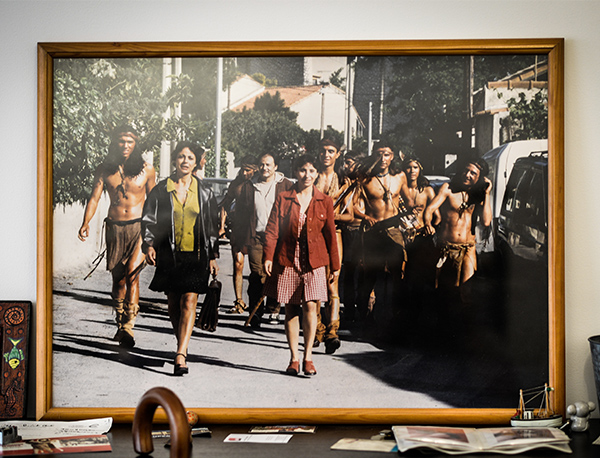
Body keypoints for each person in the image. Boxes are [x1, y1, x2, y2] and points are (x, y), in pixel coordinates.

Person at [142, 142, 220, 376]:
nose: (185, 161)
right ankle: (181, 343)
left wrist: (213, 256)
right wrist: (148, 244)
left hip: (197, 255)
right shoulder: (161, 190)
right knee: (174, 304)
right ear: (175, 160)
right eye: (181, 156)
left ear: (196, 162)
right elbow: (148, 218)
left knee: (189, 302)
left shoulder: (204, 192)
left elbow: (212, 227)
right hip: (169, 253)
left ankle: (180, 353)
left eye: (190, 157)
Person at [78, 125, 156, 348]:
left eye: (130, 142)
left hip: (139, 229)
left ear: (136, 144)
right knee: (118, 280)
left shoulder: (147, 170)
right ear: (115, 142)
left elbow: (153, 202)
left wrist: (155, 234)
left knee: (133, 274)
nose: (126, 146)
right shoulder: (104, 169)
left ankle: (128, 327)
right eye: (122, 141)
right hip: (114, 228)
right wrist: (86, 222)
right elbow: (94, 198)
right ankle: (120, 321)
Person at [263, 154, 340, 376]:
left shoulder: (324, 200)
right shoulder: (284, 197)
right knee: (291, 307)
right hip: (288, 257)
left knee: (311, 306)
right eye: (303, 170)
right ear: (296, 171)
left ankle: (308, 357)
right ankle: (293, 358)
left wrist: (334, 266)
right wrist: (269, 256)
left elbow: (330, 235)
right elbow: (272, 229)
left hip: (315, 261)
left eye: (312, 171)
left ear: (317, 174)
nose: (307, 175)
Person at [353, 143, 414, 329]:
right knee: (370, 274)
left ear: (392, 156)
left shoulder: (400, 177)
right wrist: (365, 217)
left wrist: (412, 208)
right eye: (379, 154)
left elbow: (409, 201)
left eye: (386, 154)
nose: (382, 158)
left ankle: (396, 314)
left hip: (394, 230)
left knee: (399, 273)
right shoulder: (365, 179)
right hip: (374, 231)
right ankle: (365, 313)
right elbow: (352, 206)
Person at [233, 152, 293, 327]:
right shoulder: (248, 186)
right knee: (258, 274)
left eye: (268, 164)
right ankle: (255, 311)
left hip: (279, 238)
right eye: (262, 164)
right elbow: (241, 216)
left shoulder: (286, 185)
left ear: (275, 167)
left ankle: (273, 309)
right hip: (256, 237)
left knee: (275, 274)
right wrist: (238, 241)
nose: (264, 168)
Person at [423, 156, 492, 294]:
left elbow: (486, 222)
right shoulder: (448, 188)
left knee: (466, 290)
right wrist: (427, 223)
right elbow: (430, 209)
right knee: (445, 290)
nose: (467, 175)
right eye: (466, 171)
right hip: (447, 248)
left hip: (468, 247)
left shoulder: (478, 196)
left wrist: (487, 194)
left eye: (473, 173)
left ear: (480, 178)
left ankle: (463, 315)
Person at [313, 139, 352, 354]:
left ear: (338, 154)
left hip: (334, 234)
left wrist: (332, 216)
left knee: (332, 283)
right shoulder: (312, 176)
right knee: (315, 283)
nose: (326, 155)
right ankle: (317, 329)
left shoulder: (344, 181)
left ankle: (332, 331)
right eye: (323, 151)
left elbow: (351, 214)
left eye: (331, 151)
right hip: (314, 235)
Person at [217, 156, 258, 315]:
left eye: (247, 170)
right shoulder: (236, 185)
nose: (244, 172)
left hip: (255, 228)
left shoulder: (258, 184)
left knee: (257, 268)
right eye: (243, 169)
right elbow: (224, 206)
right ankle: (239, 300)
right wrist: (221, 226)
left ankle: (256, 304)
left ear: (254, 171)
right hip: (239, 228)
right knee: (238, 264)